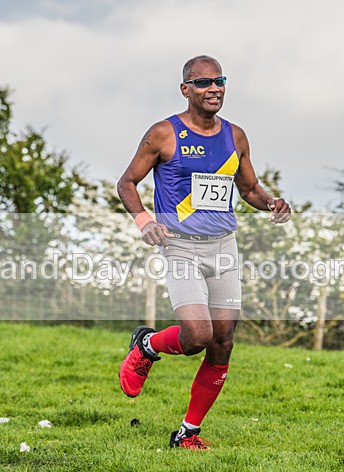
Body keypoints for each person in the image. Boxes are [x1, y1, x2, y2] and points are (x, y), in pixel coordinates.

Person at [117, 55, 291, 450]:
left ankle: (187, 432)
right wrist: (145, 221)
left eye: (220, 81)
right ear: (186, 89)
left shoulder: (236, 136)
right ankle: (146, 345)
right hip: (179, 246)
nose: (214, 88)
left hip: (224, 247)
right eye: (203, 83)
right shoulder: (164, 133)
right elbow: (127, 183)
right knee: (197, 335)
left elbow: (248, 189)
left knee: (223, 340)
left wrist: (271, 204)